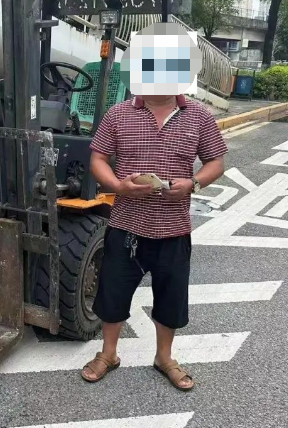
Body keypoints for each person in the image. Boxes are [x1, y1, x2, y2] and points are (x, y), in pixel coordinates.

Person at [81, 93, 227, 391]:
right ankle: (108, 354)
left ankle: (164, 357)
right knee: (112, 293)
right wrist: (117, 186)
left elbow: (216, 162)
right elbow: (98, 159)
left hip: (174, 230)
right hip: (125, 226)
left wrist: (193, 183)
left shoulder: (199, 115)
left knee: (171, 298)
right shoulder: (118, 114)